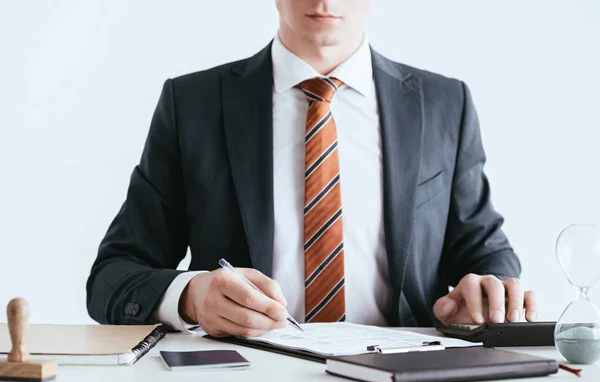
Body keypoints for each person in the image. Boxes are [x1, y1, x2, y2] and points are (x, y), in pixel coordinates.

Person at [86, 0, 537, 337]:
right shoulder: (193, 105)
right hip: (241, 378)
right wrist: (190, 296)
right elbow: (112, 276)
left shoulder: (444, 104)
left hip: (404, 379)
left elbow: (484, 252)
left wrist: (485, 294)